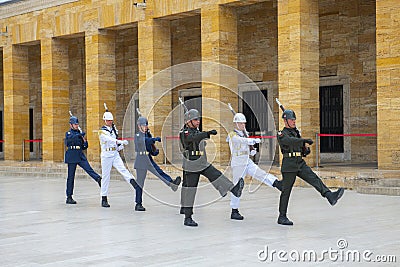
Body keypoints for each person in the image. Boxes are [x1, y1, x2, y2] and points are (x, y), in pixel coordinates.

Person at [277, 109, 345, 225]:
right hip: (289, 164)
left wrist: (305, 150)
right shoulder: (282, 134)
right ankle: (282, 216)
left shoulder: (295, 133)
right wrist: (303, 140)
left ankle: (329, 196)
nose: (293, 121)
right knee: (286, 191)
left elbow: (299, 147)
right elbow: (290, 141)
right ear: (285, 121)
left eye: (294, 119)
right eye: (291, 120)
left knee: (314, 178)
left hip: (299, 162)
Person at [179, 108, 244, 227]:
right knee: (191, 190)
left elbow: (199, 141)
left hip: (201, 162)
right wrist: (207, 134)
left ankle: (233, 189)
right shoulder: (184, 132)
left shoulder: (195, 131)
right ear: (188, 121)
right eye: (195, 119)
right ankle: (188, 217)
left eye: (198, 119)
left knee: (215, 174)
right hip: (191, 164)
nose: (198, 121)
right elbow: (193, 138)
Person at [226, 112, 282, 220]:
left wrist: (251, 150)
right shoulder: (232, 134)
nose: (243, 125)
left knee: (261, 174)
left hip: (247, 161)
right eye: (241, 124)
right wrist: (252, 140)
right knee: (237, 187)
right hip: (238, 164)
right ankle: (234, 210)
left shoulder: (244, 133)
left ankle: (276, 183)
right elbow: (238, 141)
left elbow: (245, 145)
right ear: (236, 124)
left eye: (244, 124)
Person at [133, 115, 181, 211]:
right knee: (140, 183)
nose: (145, 127)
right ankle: (138, 204)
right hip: (141, 160)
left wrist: (155, 151)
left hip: (148, 158)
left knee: (159, 172)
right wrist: (153, 139)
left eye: (146, 125)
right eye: (144, 125)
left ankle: (172, 184)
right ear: (139, 126)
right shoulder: (138, 135)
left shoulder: (147, 135)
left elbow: (150, 148)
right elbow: (143, 142)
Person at [98, 109, 138, 208]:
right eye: (108, 120)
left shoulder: (114, 130)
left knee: (123, 169)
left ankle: (133, 183)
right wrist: (120, 142)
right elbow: (109, 140)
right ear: (105, 121)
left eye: (111, 120)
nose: (110, 122)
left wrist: (120, 146)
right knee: (106, 176)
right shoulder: (102, 131)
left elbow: (115, 141)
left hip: (114, 153)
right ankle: (104, 197)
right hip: (106, 155)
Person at [64, 116, 102, 204]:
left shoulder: (79, 133)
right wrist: (79, 135)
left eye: (77, 124)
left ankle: (98, 179)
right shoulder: (69, 133)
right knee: (71, 177)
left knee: (88, 169)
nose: (76, 126)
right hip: (72, 155)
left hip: (80, 155)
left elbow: (84, 146)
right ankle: (69, 196)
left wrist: (84, 141)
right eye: (75, 124)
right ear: (71, 125)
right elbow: (69, 140)